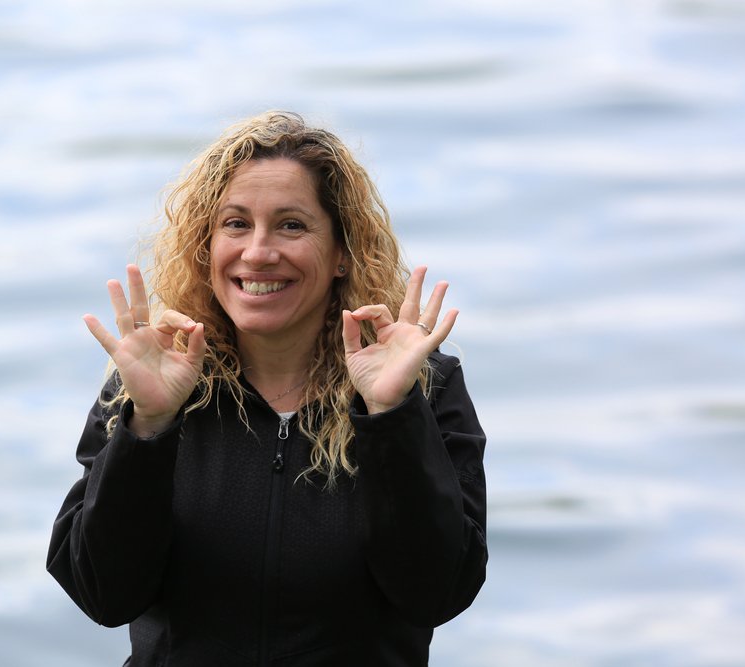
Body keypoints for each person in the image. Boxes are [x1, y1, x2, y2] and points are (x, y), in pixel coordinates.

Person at [46, 111, 487, 666]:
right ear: (206, 248)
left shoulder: (423, 387)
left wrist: (391, 415)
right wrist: (149, 429)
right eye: (235, 224)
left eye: (291, 225)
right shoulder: (153, 384)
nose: (258, 252)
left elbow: (437, 593)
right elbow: (102, 595)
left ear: (342, 253)